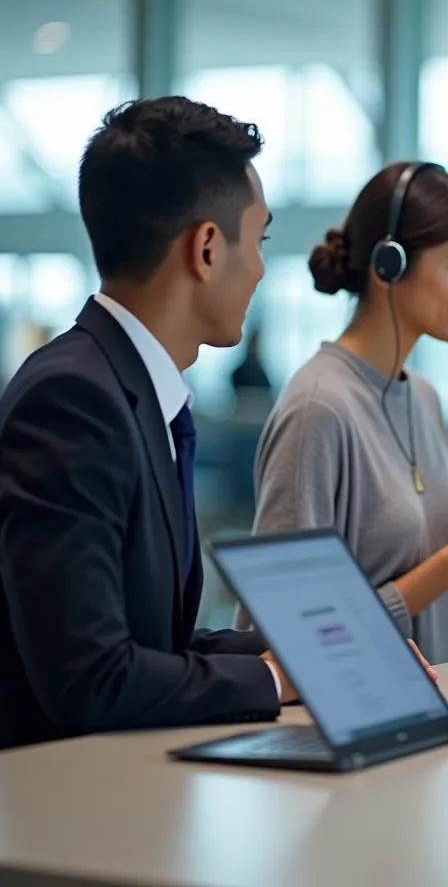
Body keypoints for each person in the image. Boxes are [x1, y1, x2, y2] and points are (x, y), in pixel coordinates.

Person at [0, 96, 294, 750]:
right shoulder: (74, 398)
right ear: (209, 249)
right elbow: (91, 676)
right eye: (261, 239)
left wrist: (313, 647)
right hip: (63, 817)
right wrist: (271, 682)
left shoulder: (131, 389)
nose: (263, 268)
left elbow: (147, 637)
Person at [240, 162, 448, 664]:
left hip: (434, 707)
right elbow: (292, 634)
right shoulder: (318, 407)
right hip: (346, 722)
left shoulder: (422, 397)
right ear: (391, 265)